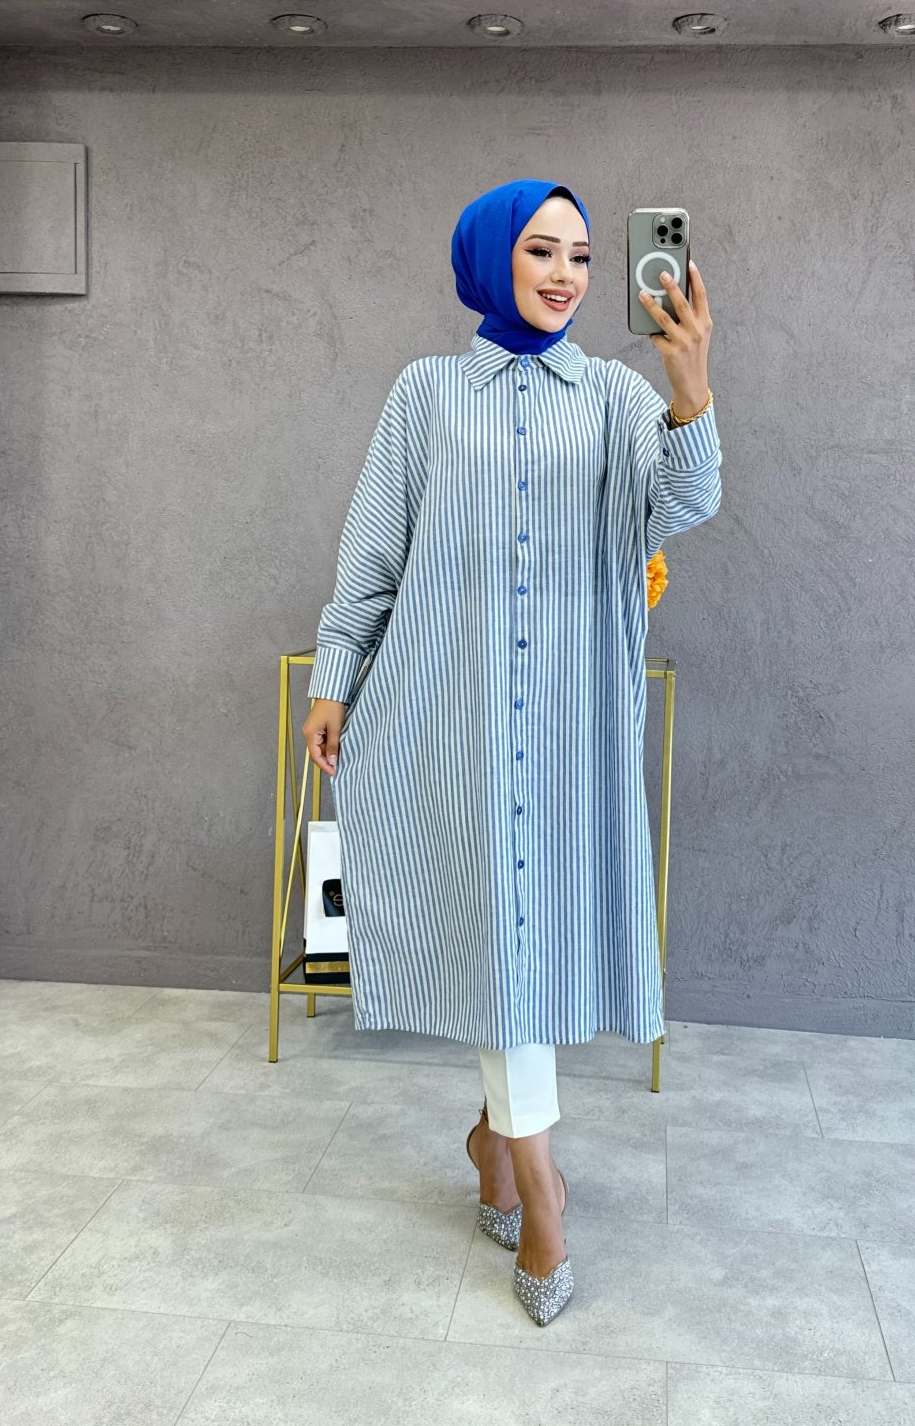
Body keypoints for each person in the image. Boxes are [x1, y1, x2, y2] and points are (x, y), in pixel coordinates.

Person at [303, 178, 721, 1325]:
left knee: (524, 940)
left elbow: (685, 503)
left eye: (582, 255)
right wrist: (335, 674)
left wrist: (689, 389)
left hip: (570, 720)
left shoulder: (619, 396)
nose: (566, 274)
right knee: (500, 930)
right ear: (491, 257)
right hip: (449, 710)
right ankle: (539, 1190)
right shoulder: (425, 393)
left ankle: (497, 1138)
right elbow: (374, 549)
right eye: (541, 250)